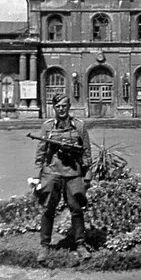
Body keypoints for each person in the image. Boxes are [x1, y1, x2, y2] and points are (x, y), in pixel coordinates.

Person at [34, 93, 92, 262]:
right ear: (54, 108)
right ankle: (44, 246)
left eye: (64, 106)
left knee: (76, 209)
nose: (61, 109)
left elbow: (86, 152)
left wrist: (87, 175)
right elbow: (41, 152)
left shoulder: (79, 126)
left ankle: (80, 245)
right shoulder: (48, 127)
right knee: (47, 209)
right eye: (58, 106)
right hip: (52, 173)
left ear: (69, 107)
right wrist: (39, 175)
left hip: (73, 174)